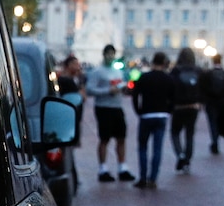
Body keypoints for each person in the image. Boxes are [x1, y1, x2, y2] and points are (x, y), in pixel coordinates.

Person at [85, 44, 135, 182]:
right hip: (103, 107)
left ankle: (122, 167)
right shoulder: (97, 72)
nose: (110, 56)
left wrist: (124, 89)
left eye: (112, 54)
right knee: (104, 138)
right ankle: (103, 168)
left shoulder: (117, 71)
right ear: (104, 55)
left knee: (121, 137)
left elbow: (121, 84)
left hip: (117, 107)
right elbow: (90, 89)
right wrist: (107, 91)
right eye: (108, 54)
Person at [130, 52, 175, 189]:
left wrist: (138, 110)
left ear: (153, 62)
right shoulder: (169, 78)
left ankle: (143, 177)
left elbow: (135, 95)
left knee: (143, 147)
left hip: (146, 115)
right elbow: (173, 98)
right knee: (157, 148)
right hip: (161, 115)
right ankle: (153, 178)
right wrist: (168, 111)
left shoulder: (144, 77)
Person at [169, 47, 202, 173]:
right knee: (190, 134)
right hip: (193, 106)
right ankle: (187, 161)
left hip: (178, 107)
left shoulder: (176, 71)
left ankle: (180, 155)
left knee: (175, 132)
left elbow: (170, 88)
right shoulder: (198, 70)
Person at [199, 53, 224, 154]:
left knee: (212, 122)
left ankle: (215, 141)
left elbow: (203, 88)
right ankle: (217, 139)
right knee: (219, 122)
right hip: (222, 102)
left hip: (211, 102)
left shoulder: (208, 74)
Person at [57, 54, 86, 142]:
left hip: (76, 115)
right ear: (68, 65)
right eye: (75, 64)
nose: (78, 66)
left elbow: (83, 96)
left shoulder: (77, 79)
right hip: (67, 117)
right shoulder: (64, 80)